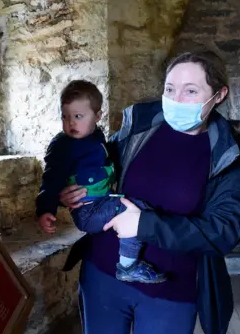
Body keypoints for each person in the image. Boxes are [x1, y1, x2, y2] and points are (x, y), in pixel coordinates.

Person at [59, 50, 240, 334]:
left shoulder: (228, 154)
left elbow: (224, 230)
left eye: (191, 90)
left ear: (218, 95)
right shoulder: (140, 124)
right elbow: (98, 165)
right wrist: (76, 188)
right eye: (169, 89)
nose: (176, 99)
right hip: (102, 277)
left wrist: (145, 225)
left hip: (171, 290)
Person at [36, 80, 166, 284]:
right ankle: (127, 266)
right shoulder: (62, 146)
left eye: (78, 117)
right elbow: (51, 179)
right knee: (133, 212)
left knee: (138, 209)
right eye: (65, 116)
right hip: (88, 211)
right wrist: (46, 209)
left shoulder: (98, 137)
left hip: (101, 202)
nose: (71, 123)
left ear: (97, 117)